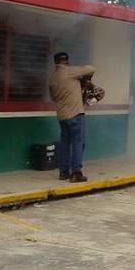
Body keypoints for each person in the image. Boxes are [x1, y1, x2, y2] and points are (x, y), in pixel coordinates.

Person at [48, 52, 95, 182]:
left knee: (65, 144)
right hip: (75, 114)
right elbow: (91, 68)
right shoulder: (69, 71)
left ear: (55, 62)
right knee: (78, 143)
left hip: (62, 116)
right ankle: (76, 173)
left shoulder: (52, 78)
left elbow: (53, 97)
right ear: (67, 61)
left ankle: (63, 172)